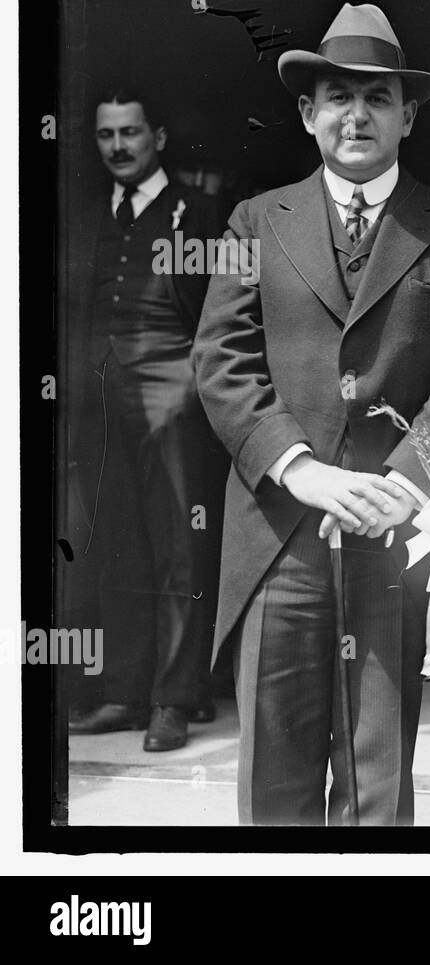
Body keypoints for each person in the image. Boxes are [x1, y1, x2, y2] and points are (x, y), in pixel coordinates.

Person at [193, 3, 430, 824]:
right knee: (274, 779)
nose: (355, 115)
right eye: (337, 97)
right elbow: (219, 362)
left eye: (377, 97)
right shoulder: (252, 222)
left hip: (395, 535)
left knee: (378, 779)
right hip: (279, 533)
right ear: (307, 113)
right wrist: (304, 470)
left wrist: (401, 485)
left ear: (409, 114)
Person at [67, 87, 227, 751]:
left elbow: (221, 311)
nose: (118, 147)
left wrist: (197, 380)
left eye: (130, 132)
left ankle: (174, 697)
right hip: (100, 390)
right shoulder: (84, 215)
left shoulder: (200, 210)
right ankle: (125, 692)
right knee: (117, 540)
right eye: (106, 135)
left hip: (172, 384)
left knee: (178, 547)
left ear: (156, 136)